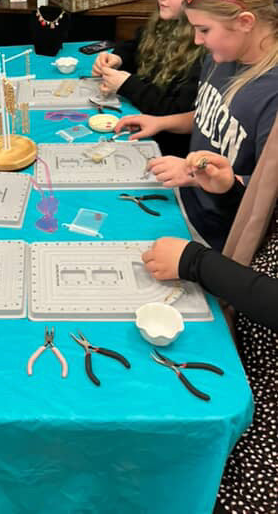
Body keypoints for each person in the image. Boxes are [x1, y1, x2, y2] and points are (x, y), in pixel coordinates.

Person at [142, 117, 278, 514]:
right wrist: (229, 193)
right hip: (241, 331)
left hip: (264, 391)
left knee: (189, 476)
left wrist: (197, 263)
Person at [117, 0, 278, 250]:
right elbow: (210, 116)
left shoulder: (271, 95)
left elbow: (266, 199)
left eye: (204, 30)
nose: (197, 41)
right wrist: (161, 122)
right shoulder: (222, 57)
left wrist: (194, 174)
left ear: (245, 22)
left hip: (219, 238)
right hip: (185, 203)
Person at [92, 0, 223, 156]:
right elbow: (136, 45)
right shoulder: (166, 23)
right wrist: (118, 58)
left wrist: (128, 84)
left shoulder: (207, 51)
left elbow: (177, 113)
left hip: (169, 148)